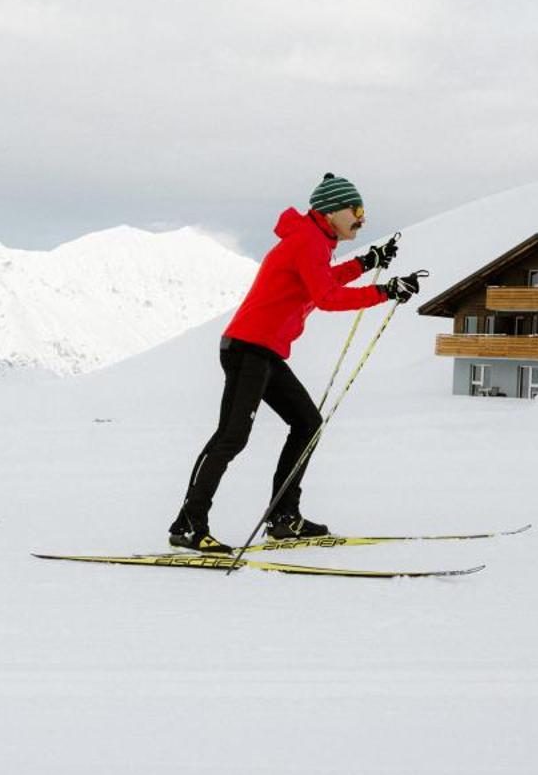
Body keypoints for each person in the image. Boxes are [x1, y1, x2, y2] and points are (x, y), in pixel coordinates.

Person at [169, 173, 426, 553]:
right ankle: (189, 524)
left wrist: (367, 262)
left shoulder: (314, 241)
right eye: (356, 210)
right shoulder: (307, 240)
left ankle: (284, 518)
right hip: (248, 348)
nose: (361, 218)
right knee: (232, 437)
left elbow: (322, 280)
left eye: (363, 211)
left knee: (307, 423)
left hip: (265, 351)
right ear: (333, 210)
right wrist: (384, 290)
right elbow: (326, 297)